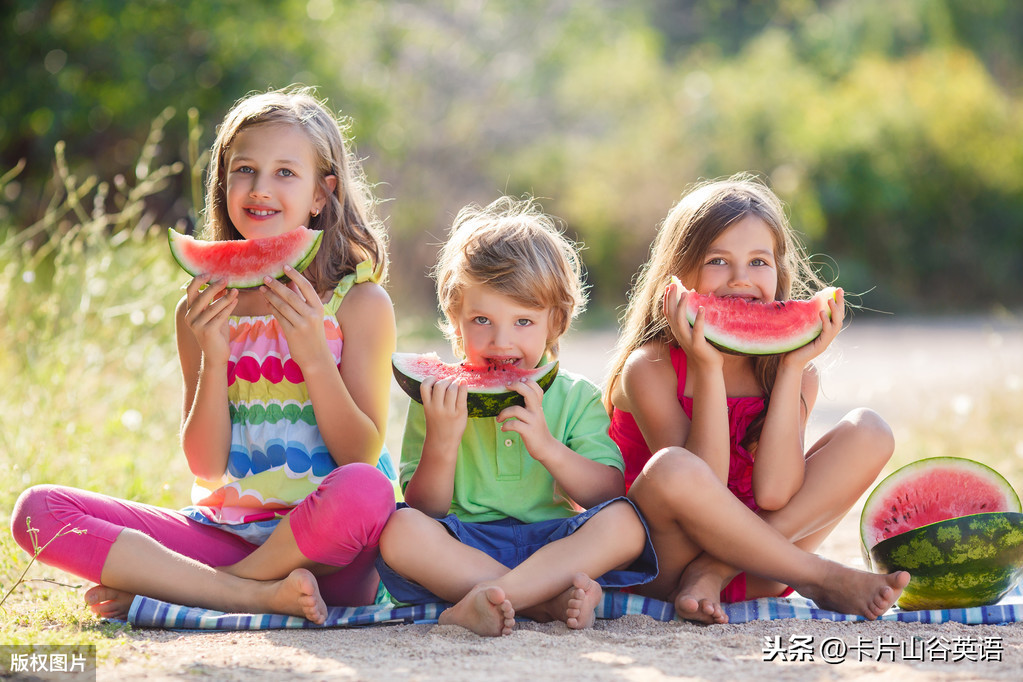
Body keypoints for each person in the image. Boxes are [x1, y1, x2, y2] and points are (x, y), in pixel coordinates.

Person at [10, 86, 397, 625]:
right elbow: (206, 465)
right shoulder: (201, 309)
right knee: (38, 512)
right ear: (224, 183)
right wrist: (215, 359)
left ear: (320, 194)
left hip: (329, 552)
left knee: (368, 490)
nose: (260, 189)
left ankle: (199, 590)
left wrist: (313, 356)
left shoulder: (359, 303)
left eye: (286, 172)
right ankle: (252, 594)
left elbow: (359, 454)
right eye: (244, 170)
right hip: (223, 535)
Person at [604, 173, 909, 624]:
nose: (740, 279)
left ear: (780, 274)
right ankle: (821, 577)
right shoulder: (650, 368)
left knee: (871, 431)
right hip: (660, 566)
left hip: (756, 569)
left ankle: (716, 569)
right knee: (674, 467)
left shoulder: (794, 375)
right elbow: (696, 483)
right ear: (678, 276)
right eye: (718, 261)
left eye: (759, 262)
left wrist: (789, 369)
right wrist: (706, 367)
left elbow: (774, 491)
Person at [376, 197, 657, 637]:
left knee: (625, 524)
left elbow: (606, 493)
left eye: (523, 321)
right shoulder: (437, 398)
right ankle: (544, 601)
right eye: (482, 319)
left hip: (556, 541)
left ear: (556, 322)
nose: (500, 341)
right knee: (400, 529)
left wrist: (548, 449)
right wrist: (443, 441)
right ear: (456, 319)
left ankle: (491, 598)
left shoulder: (575, 396)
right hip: (465, 542)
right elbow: (425, 508)